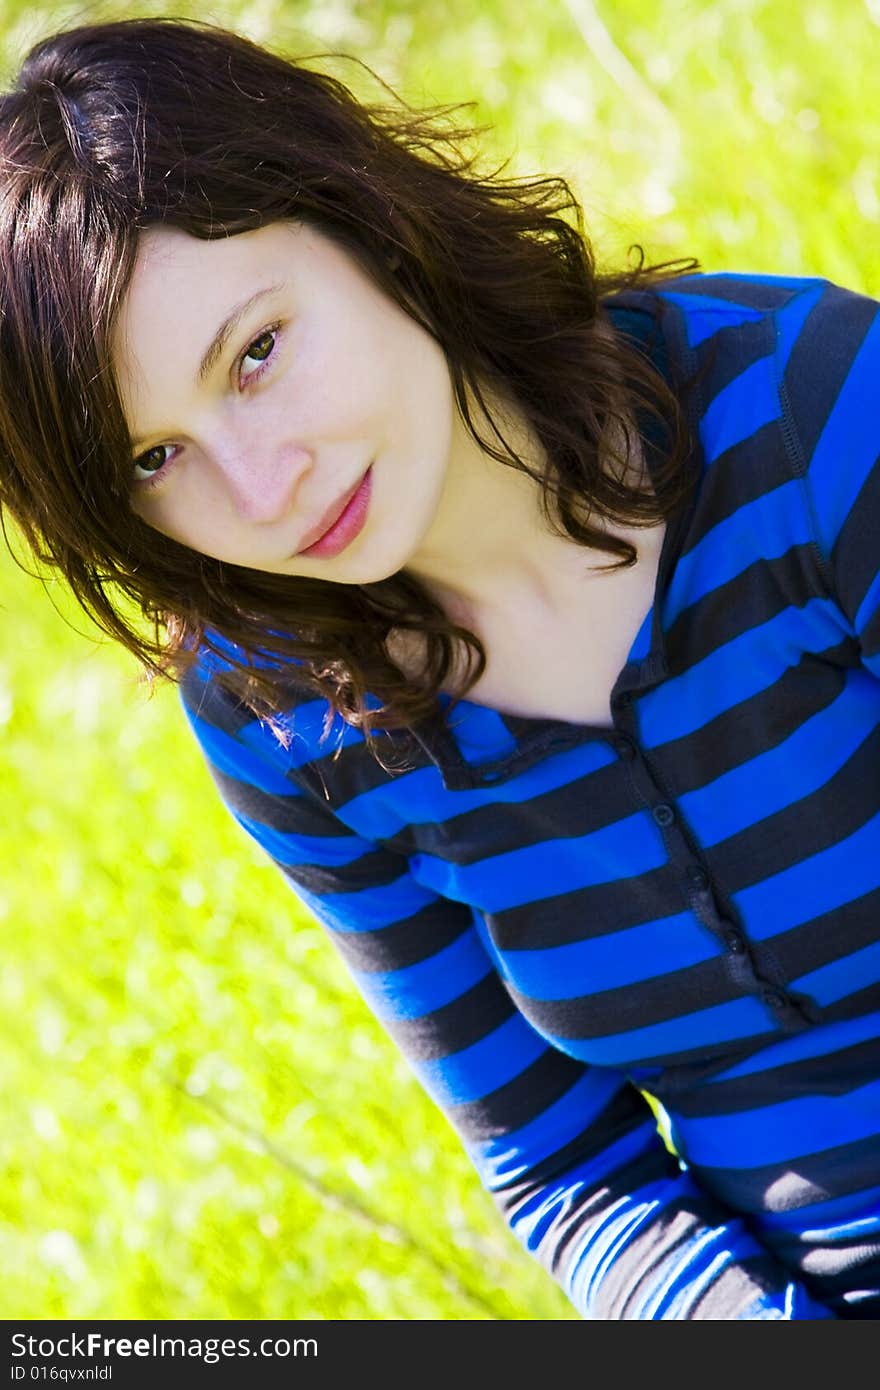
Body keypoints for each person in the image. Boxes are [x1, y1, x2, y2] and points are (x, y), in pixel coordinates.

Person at [0, 16, 877, 1322]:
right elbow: (567, 1166)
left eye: (255, 353)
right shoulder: (274, 710)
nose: (260, 485)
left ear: (363, 222)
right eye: (152, 458)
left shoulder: (811, 414)